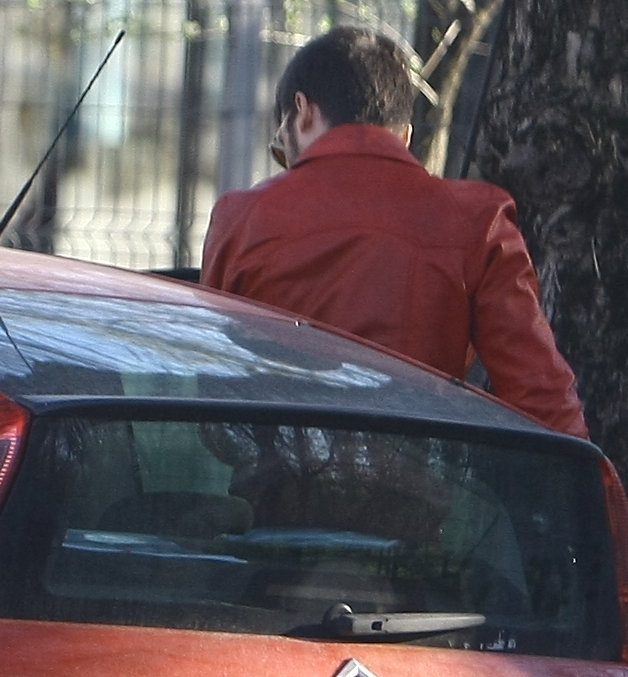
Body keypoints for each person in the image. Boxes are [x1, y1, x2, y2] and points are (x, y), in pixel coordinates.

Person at [199, 25, 587, 438]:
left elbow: (216, 406)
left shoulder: (240, 218)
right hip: (416, 491)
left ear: (304, 110)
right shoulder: (478, 220)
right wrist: (597, 496)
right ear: (404, 136)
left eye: (282, 146)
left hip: (280, 486)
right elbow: (541, 397)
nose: (286, 161)